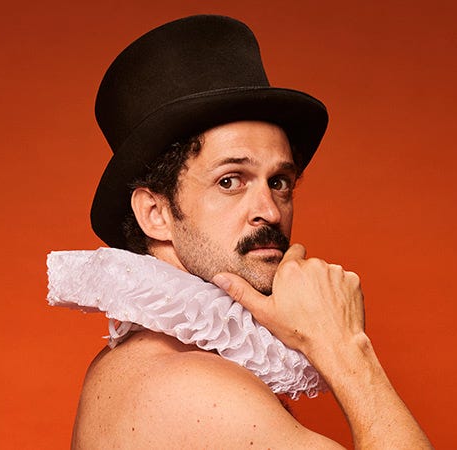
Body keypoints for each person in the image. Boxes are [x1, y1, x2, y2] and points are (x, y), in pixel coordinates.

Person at [47, 15, 432, 448]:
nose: (268, 210)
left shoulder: (129, 364)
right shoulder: (192, 388)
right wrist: (345, 348)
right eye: (230, 181)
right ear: (155, 212)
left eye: (279, 182)